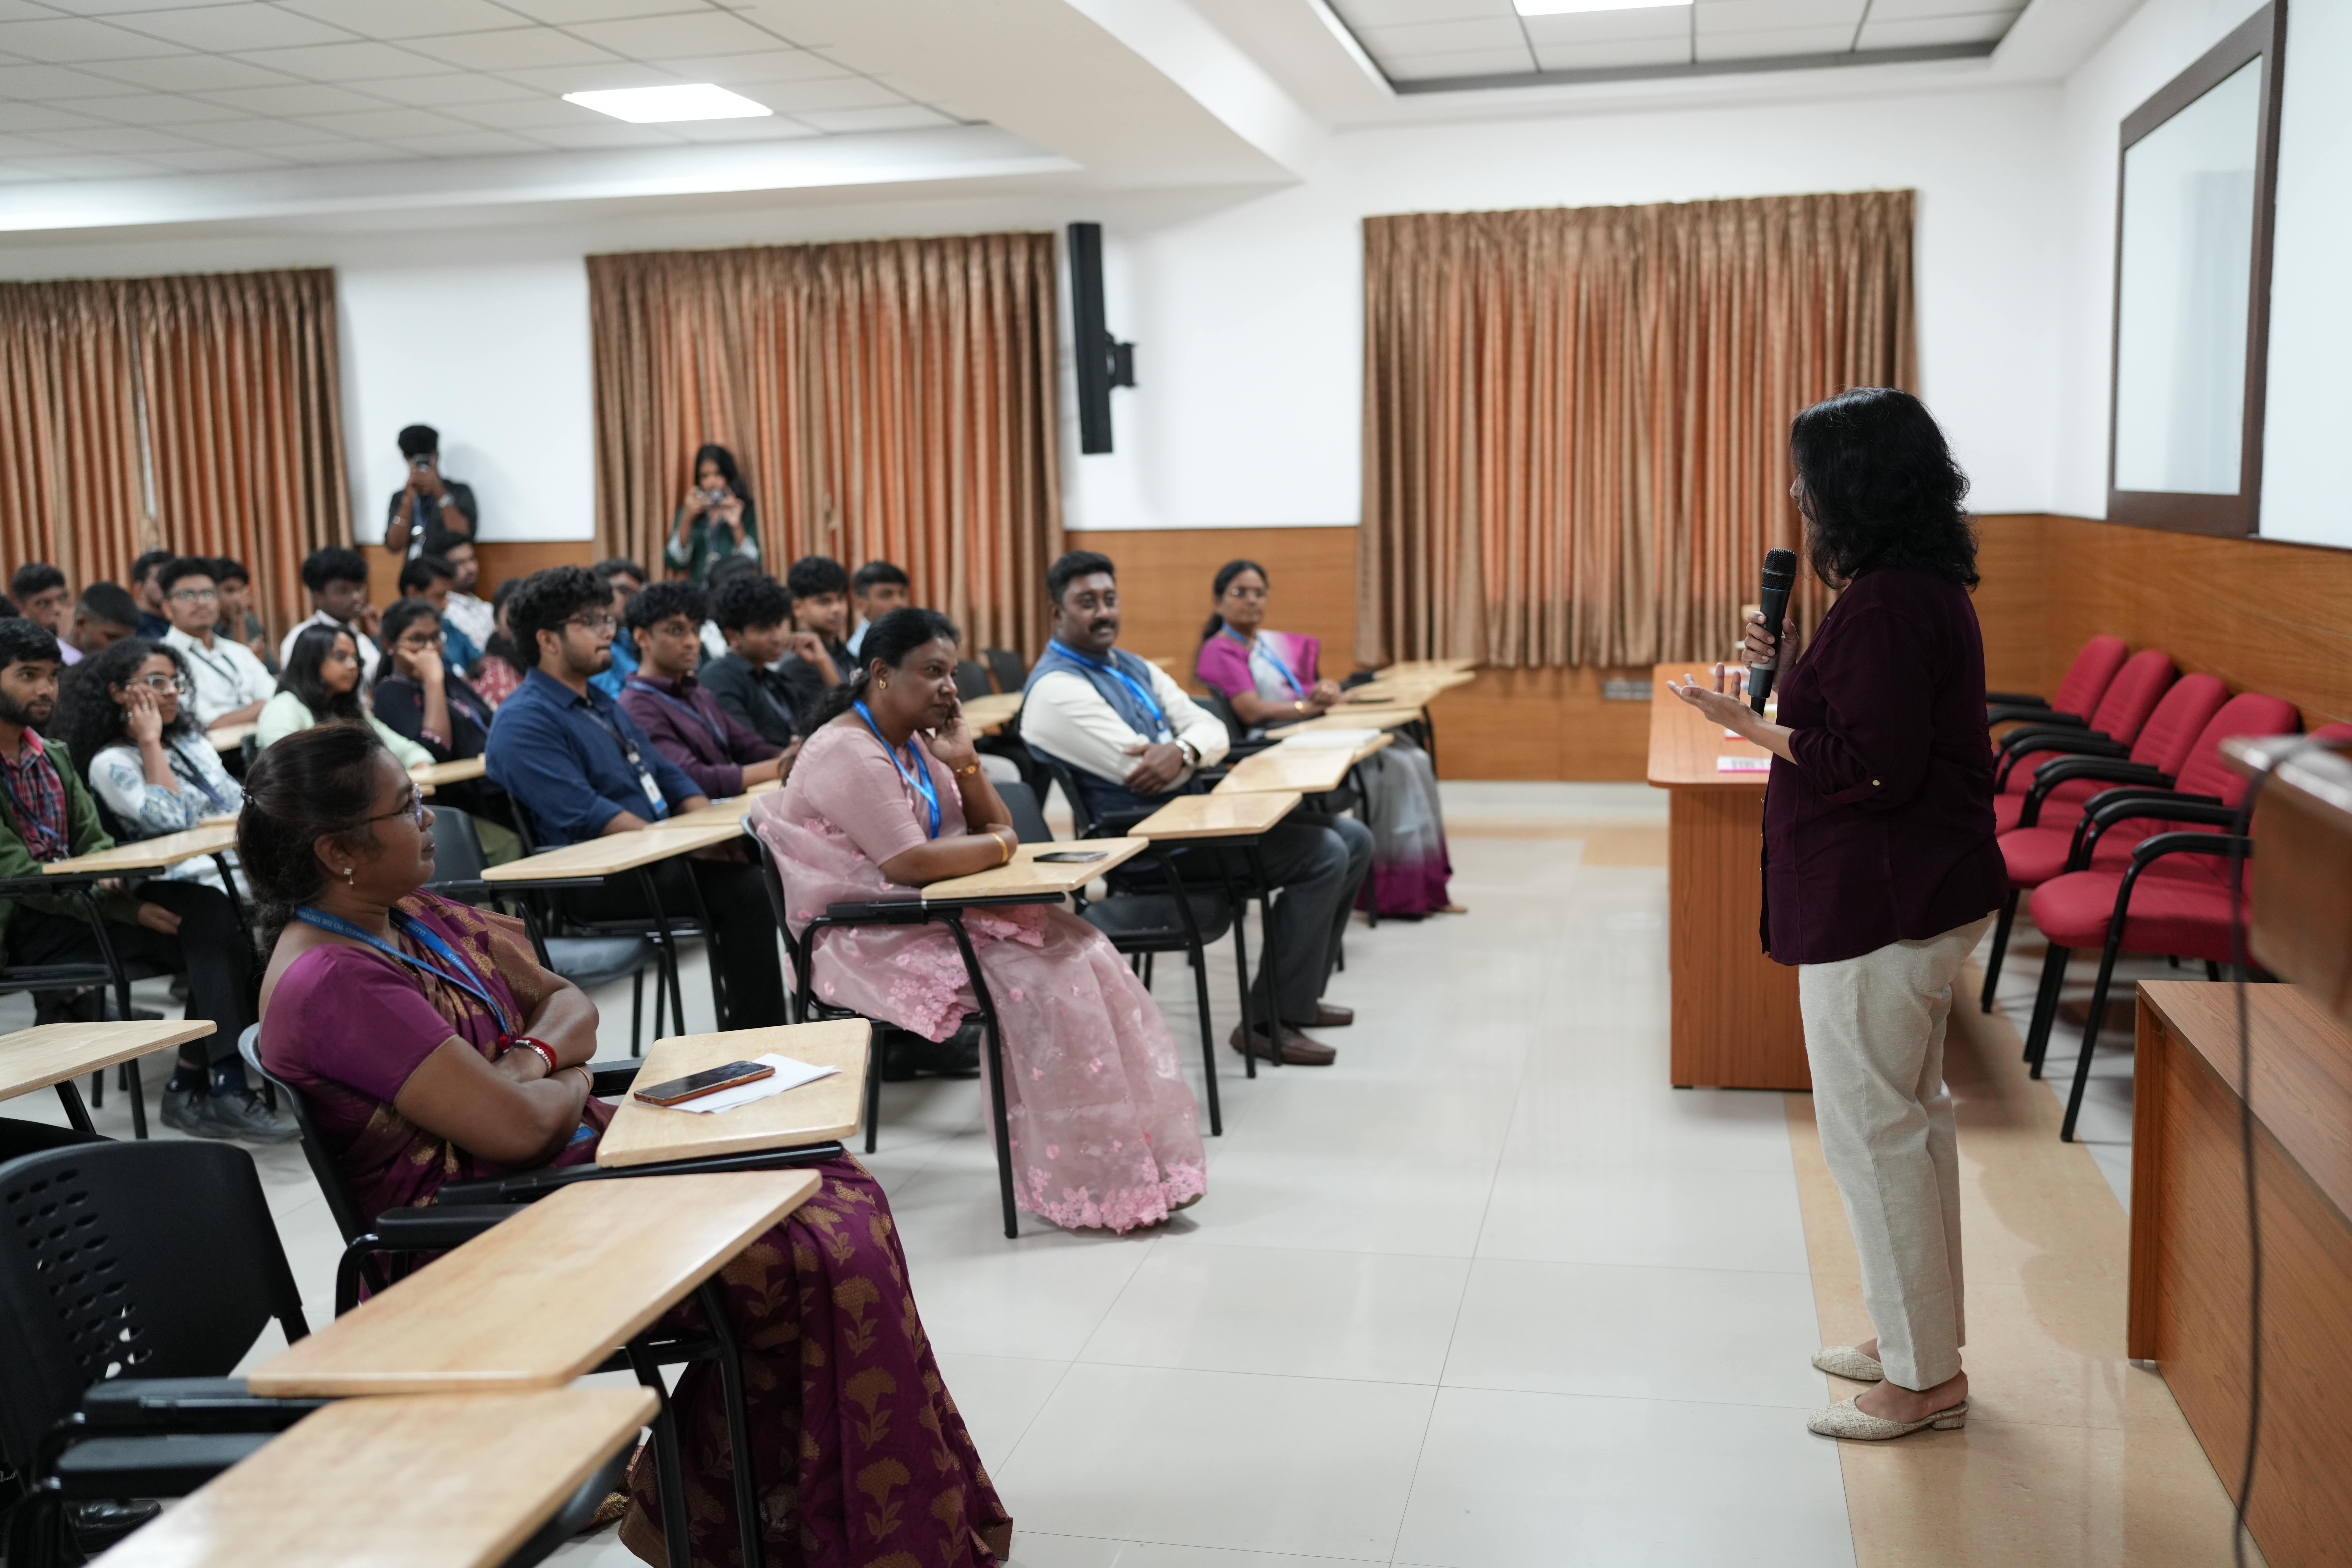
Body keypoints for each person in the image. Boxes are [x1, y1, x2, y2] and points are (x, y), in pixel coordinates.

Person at [244, 725, 1010, 1564]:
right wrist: (554, 1083)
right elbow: (517, 1127)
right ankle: (768, 1521)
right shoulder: (335, 980)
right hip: (479, 1237)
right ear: (338, 850)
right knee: (822, 1247)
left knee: (834, 1182)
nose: (431, 819)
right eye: (409, 806)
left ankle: (761, 1515)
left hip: (552, 1180)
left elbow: (568, 1003)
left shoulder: (412, 920)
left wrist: (531, 1063)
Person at [1669, 387, 2007, 1443]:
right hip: (1918, 891)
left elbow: (1872, 771)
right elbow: (1871, 717)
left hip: (1885, 900)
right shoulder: (1907, 588)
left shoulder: (1891, 604)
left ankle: (1921, 1380)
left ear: (1849, 487)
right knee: (1914, 1124)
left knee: (1875, 1136)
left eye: (1806, 477)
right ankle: (1920, 1341)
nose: (1795, 496)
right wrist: (1796, 662)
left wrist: (1745, 723)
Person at [753, 608, 1206, 1230]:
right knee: (1053, 982)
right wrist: (998, 847)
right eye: (932, 671)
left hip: (922, 913)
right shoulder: (847, 751)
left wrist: (965, 762)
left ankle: (1142, 1164)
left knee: (1088, 950)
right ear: (881, 673)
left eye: (952, 672)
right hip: (863, 935)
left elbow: (994, 826)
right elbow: (913, 860)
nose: (948, 687)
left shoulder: (910, 739)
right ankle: (1092, 1184)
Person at [1022, 550, 1371, 1066]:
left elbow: (1212, 730)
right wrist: (1185, 748)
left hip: (1191, 822)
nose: (1103, 613)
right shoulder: (1055, 690)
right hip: (1148, 846)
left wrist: (1183, 749)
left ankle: (1295, 1001)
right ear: (1058, 613)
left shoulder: (1131, 665)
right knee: (1322, 852)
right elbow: (1137, 771)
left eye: (1110, 600)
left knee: (1354, 839)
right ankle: (1264, 1024)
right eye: (1087, 603)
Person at [0, 618, 286, 1141]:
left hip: (87, 904)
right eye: (27, 675)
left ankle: (213, 1085)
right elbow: (16, 876)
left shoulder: (52, 756)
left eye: (50, 676)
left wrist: (115, 895)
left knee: (214, 919)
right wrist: (126, 908)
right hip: (30, 924)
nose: (44, 689)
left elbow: (96, 848)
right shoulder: (100, 758)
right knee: (217, 929)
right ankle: (207, 1085)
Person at [482, 566, 787, 1027]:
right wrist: (686, 846)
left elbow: (672, 779)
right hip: (596, 879)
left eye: (608, 620)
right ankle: (757, 1036)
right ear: (548, 640)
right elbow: (589, 815)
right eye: (591, 622)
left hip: (652, 858)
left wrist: (709, 833)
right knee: (748, 892)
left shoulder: (599, 703)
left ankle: (785, 1023)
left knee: (767, 856)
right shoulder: (524, 721)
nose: (608, 632)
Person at [1196, 559, 1459, 918]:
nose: (1252, 601)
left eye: (1260, 593)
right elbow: (1252, 711)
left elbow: (1300, 692)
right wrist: (1308, 708)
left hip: (1306, 731)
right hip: (1275, 748)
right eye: (1241, 593)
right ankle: (1396, 894)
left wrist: (1327, 692)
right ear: (1219, 601)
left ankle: (1427, 888)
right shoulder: (1219, 649)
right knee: (1395, 765)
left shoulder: (1267, 645)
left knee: (1415, 758)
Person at [54, 637, 243, 895]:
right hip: (191, 875)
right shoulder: (111, 762)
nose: (172, 691)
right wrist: (149, 740)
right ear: (118, 693)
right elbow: (169, 820)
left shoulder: (190, 742)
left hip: (238, 857)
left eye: (175, 681)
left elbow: (236, 802)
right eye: (157, 682)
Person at [369, 598, 518, 862]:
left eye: (435, 638)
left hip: (493, 786)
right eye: (417, 640)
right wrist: (433, 680)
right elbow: (435, 748)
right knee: (511, 842)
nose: (429, 649)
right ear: (390, 645)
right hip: (454, 803)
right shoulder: (390, 692)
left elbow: (489, 723)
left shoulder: (450, 680)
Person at [616, 580, 793, 798]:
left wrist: (790, 754)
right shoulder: (637, 706)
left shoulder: (695, 690)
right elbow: (692, 778)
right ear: (642, 637)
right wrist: (782, 767)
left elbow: (747, 746)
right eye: (676, 631)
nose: (692, 642)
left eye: (695, 630)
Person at [258, 624, 430, 767]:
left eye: (356, 659)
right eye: (340, 657)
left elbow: (410, 752)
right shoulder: (284, 708)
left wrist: (420, 768)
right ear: (312, 660)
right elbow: (283, 769)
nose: (353, 666)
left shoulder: (344, 710)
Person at [157, 556, 273, 733]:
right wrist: (263, 706)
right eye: (188, 595)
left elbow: (277, 695)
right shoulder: (163, 659)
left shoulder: (238, 652)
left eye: (208, 594)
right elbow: (207, 724)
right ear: (167, 608)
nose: (202, 603)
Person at [697, 571, 802, 748]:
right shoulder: (719, 678)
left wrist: (822, 662)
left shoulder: (772, 678)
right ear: (733, 636)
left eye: (778, 625)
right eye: (763, 629)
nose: (777, 637)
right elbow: (744, 748)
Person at [279, 546, 381, 681]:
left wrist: (382, 637)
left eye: (359, 588)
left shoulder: (360, 637)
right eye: (343, 591)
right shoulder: (302, 639)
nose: (356, 597)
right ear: (318, 598)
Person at [664, 443, 761, 584]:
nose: (712, 482)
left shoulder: (745, 512)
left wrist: (736, 526)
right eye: (705, 476)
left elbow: (753, 562)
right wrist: (687, 519)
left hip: (732, 592)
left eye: (718, 474)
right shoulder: (689, 514)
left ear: (729, 476)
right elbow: (675, 562)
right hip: (700, 595)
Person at [383, 423, 478, 560]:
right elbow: (394, 546)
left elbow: (464, 535)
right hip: (416, 573)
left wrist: (439, 491)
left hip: (451, 572)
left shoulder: (459, 491)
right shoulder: (400, 498)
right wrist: (408, 501)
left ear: (437, 455)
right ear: (406, 459)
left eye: (426, 458)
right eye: (415, 459)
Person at [395, 554, 483, 675]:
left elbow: (479, 661)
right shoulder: (393, 633)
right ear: (413, 593)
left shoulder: (447, 625)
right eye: (440, 596)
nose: (446, 604)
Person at [587, 558, 645, 699]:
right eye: (624, 591)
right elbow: (612, 700)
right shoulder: (588, 642)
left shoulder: (627, 636)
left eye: (636, 595)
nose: (632, 601)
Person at [211, 557, 278, 675]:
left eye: (242, 590)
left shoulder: (249, 620)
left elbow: (273, 671)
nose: (238, 598)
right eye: (230, 591)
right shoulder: (208, 627)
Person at [470, 578, 526, 709]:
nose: (523, 621)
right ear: (496, 621)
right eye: (513, 614)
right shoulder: (495, 677)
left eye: (529, 613)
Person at [438, 539, 495, 653]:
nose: (471, 569)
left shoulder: (487, 608)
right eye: (460, 563)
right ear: (444, 568)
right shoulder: (446, 611)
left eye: (472, 559)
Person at [10, 564, 74, 663]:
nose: (58, 609)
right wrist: (66, 643)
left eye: (62, 598)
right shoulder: (19, 651)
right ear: (22, 610)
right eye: (43, 603)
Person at [846, 559, 910, 657]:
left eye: (902, 594)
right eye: (886, 595)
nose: (899, 603)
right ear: (861, 605)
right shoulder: (859, 651)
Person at [67, 582, 141, 662]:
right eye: (113, 638)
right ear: (81, 624)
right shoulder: (54, 666)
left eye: (127, 642)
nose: (121, 649)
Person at [129, 549, 173, 638]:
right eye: (160, 578)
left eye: (172, 578)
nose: (168, 584)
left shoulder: (186, 624)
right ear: (140, 588)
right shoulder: (132, 630)